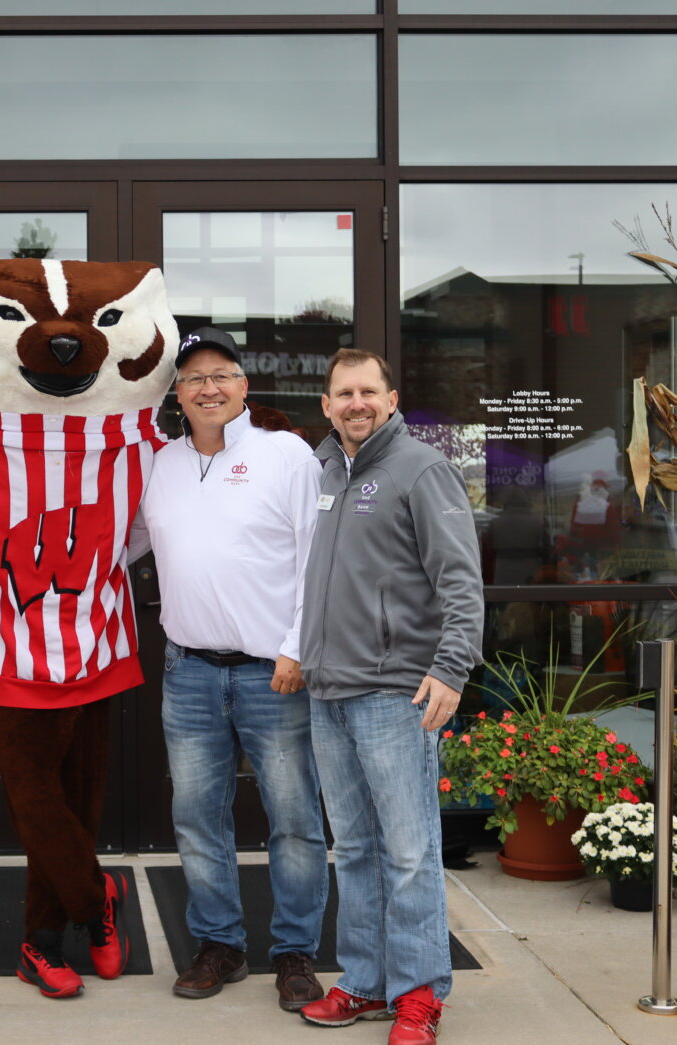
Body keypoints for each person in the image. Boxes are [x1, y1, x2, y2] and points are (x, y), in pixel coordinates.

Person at [130, 327, 329, 1012]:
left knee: (294, 817)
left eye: (221, 373)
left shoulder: (286, 455)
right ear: (176, 394)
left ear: (244, 385)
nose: (208, 387)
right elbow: (123, 545)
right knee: (195, 815)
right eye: (193, 378)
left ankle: (296, 951)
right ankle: (219, 942)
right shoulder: (159, 464)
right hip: (188, 670)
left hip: (273, 672)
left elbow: (317, 557)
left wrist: (298, 646)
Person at [292, 349, 483, 1045]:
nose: (356, 402)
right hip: (329, 691)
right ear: (327, 403)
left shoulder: (420, 468)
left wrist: (452, 667)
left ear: (391, 397)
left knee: (409, 851)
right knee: (360, 849)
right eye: (343, 392)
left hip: (395, 694)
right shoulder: (321, 472)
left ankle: (420, 994)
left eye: (368, 390)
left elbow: (460, 579)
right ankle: (367, 982)